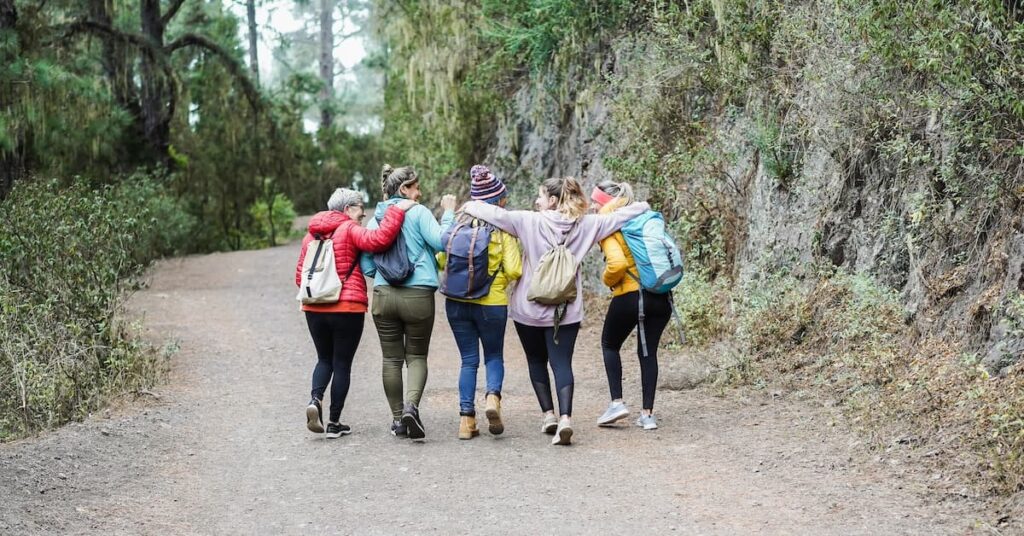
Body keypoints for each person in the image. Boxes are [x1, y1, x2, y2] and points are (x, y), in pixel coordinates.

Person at [461, 176, 649, 445]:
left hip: (528, 310)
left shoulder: (528, 220)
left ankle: (548, 414)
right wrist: (643, 205)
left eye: (540, 196)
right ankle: (565, 420)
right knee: (562, 364)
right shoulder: (587, 224)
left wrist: (469, 205)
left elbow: (493, 214)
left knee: (536, 362)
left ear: (552, 200)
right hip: (566, 311)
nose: (536, 201)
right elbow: (622, 216)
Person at [296, 188, 416, 438]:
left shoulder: (310, 236)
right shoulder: (348, 229)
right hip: (346, 307)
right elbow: (379, 240)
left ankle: (315, 400)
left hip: (313, 307)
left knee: (324, 359)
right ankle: (333, 423)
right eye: (360, 208)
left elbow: (300, 276)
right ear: (347, 208)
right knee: (341, 364)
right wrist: (396, 211)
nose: (363, 213)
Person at [362, 164, 457, 441]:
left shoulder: (375, 219)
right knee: (416, 356)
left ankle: (397, 420)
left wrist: (383, 275)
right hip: (418, 296)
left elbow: (367, 260)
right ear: (404, 189)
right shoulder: (418, 213)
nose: (420, 192)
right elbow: (442, 242)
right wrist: (448, 213)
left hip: (383, 295)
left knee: (391, 358)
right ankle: (411, 409)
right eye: (416, 187)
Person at [437, 165, 522, 440]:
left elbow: (442, 260)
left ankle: (466, 422)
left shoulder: (457, 224)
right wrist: (496, 283)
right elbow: (515, 269)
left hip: (457, 302)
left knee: (468, 360)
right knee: (494, 355)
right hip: (492, 301)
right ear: (497, 200)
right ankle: (493, 399)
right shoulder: (502, 229)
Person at [591, 181, 672, 431]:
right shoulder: (644, 217)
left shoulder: (608, 223)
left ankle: (617, 403)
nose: (592, 206)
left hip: (630, 295)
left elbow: (617, 264)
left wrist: (606, 281)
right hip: (661, 295)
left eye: (595, 201)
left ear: (605, 202)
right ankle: (647, 415)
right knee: (647, 353)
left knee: (609, 344)